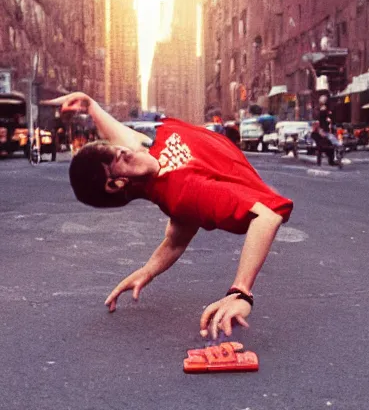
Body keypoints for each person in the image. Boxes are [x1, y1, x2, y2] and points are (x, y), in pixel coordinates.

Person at [43, 91, 294, 341]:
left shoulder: (142, 153)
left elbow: (174, 240)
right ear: (116, 184)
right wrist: (241, 292)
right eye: (120, 156)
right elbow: (267, 216)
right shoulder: (183, 193)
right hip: (236, 179)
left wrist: (90, 105)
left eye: (117, 149)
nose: (126, 150)